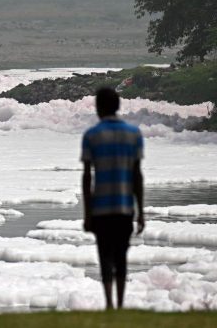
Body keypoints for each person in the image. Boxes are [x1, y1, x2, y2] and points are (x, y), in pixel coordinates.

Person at [81, 87, 144, 310]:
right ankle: (119, 303)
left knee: (105, 255)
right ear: (118, 106)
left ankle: (108, 302)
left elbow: (87, 177)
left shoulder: (91, 135)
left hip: (100, 208)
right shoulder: (133, 134)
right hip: (125, 206)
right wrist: (141, 211)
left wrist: (87, 213)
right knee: (121, 256)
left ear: (98, 108)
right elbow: (137, 175)